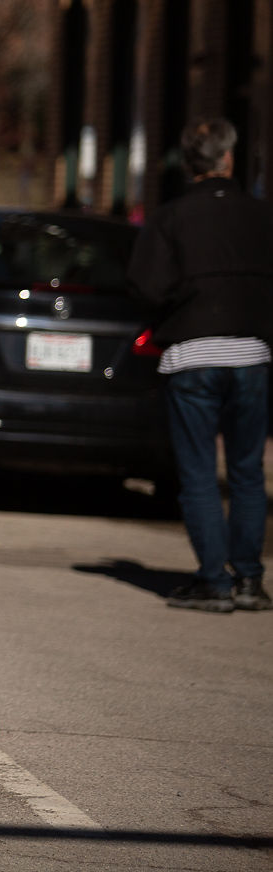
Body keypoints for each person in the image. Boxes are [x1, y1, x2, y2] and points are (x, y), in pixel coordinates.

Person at [127, 117, 273, 613]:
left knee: (198, 474)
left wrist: (178, 303)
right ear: (229, 158)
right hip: (252, 354)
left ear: (190, 163)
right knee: (248, 472)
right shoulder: (260, 216)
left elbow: (145, 285)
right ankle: (250, 579)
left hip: (192, 354)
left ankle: (214, 580)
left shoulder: (170, 218)